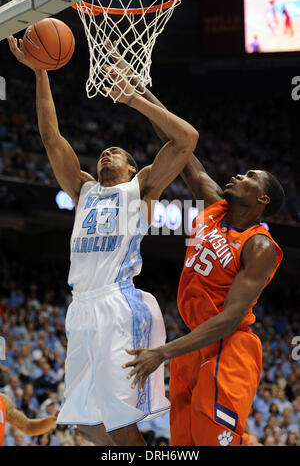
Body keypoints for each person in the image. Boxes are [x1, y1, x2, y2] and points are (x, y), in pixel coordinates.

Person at [8, 35, 198, 447]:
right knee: (84, 424)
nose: (107, 153)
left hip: (119, 305)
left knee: (120, 423)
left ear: (133, 167)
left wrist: (134, 99)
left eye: (117, 152)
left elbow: (186, 139)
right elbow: (51, 139)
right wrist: (41, 71)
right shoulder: (84, 190)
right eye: (104, 152)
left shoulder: (142, 189)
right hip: (80, 307)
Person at [121, 73, 285, 445]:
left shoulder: (258, 246)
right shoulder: (216, 205)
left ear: (262, 200)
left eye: (249, 177)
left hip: (230, 347)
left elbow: (228, 320)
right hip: (193, 344)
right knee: (185, 445)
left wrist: (161, 352)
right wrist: (139, 90)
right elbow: (179, 144)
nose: (238, 175)